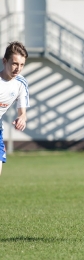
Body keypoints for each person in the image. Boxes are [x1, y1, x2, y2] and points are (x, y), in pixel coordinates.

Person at [0, 41, 29, 175]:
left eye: (22, 64)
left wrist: (21, 118)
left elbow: (22, 113)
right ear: (5, 61)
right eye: (15, 63)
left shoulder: (21, 83)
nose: (18, 68)